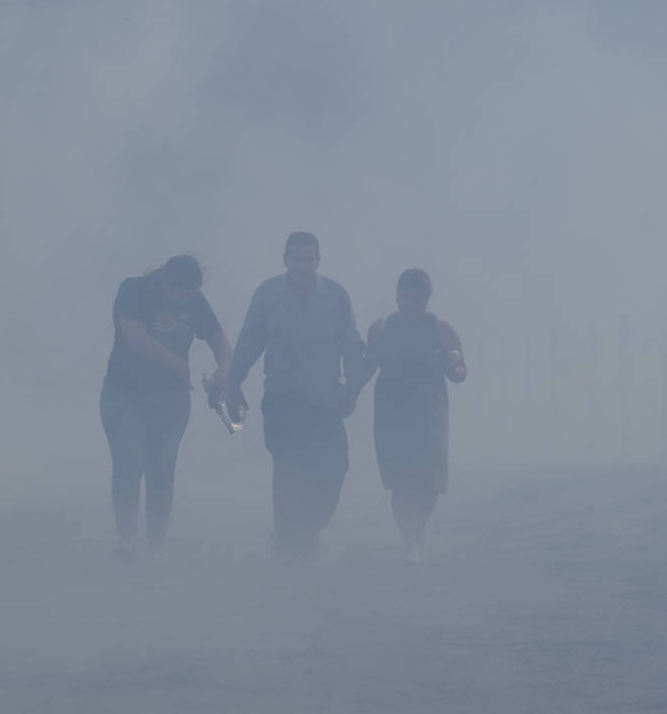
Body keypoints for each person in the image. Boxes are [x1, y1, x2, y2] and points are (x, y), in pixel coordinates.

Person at [227, 232, 367, 563]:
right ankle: (288, 541)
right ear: (285, 260)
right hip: (282, 399)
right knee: (289, 472)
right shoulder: (268, 294)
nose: (302, 265)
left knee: (335, 469)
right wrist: (234, 381)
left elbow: (350, 343)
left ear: (318, 260)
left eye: (308, 258)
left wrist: (353, 389)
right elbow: (249, 341)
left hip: (325, 401)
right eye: (296, 258)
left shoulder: (335, 295)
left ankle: (307, 530)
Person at [100, 255, 232, 560]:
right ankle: (127, 537)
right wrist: (175, 362)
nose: (187, 300)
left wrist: (223, 373)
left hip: (171, 400)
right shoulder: (134, 290)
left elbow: (220, 342)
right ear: (166, 284)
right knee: (128, 463)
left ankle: (155, 542)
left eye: (192, 294)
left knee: (161, 470)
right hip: (123, 393)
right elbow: (135, 337)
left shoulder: (196, 300)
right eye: (182, 294)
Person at [364, 269, 466, 564]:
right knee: (401, 480)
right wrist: (348, 394)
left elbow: (462, 372)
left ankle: (418, 531)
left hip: (429, 413)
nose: (409, 303)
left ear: (427, 299)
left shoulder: (441, 329)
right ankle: (410, 543)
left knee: (428, 482)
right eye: (404, 297)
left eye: (416, 299)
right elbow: (368, 367)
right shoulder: (380, 328)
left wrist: (452, 366)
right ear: (397, 295)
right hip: (390, 412)